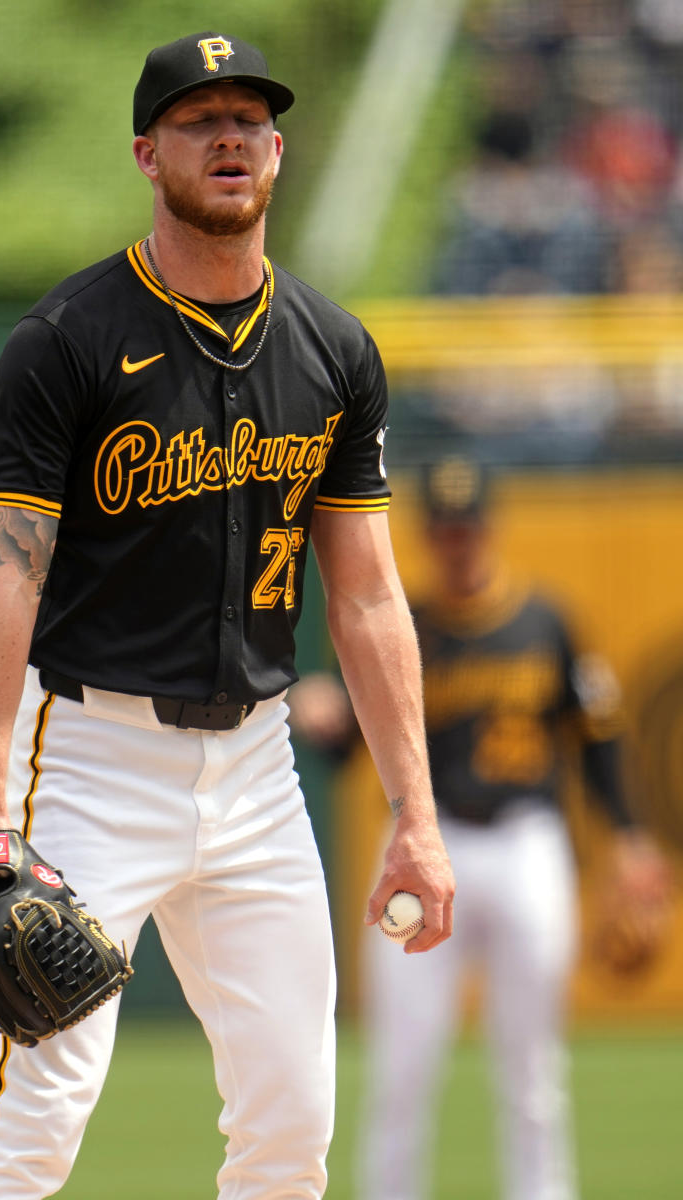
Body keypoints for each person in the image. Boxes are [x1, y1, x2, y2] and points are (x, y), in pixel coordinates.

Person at [0, 32, 454, 1200]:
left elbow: (367, 594)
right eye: (196, 118)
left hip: (258, 770)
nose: (229, 136)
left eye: (249, 118)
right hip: (90, 758)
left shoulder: (332, 348)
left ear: (277, 150)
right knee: (37, 1119)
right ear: (146, 153)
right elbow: (5, 578)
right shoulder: (66, 339)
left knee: (290, 1132)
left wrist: (415, 815)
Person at [288, 455, 672, 1200]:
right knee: (402, 1066)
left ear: (489, 528)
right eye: (444, 529)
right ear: (428, 535)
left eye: (467, 527)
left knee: (532, 1068)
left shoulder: (544, 621)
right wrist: (324, 720)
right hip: (428, 850)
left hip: (529, 846)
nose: (456, 541)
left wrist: (627, 836)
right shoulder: (410, 628)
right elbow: (349, 746)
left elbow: (598, 738)